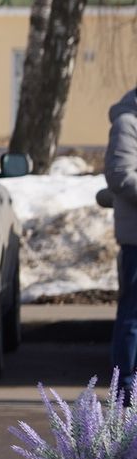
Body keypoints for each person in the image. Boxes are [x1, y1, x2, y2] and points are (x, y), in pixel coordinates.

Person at [105, 86, 137, 394]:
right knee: (133, 315)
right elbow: (120, 175)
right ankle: (124, 390)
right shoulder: (128, 123)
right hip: (136, 240)